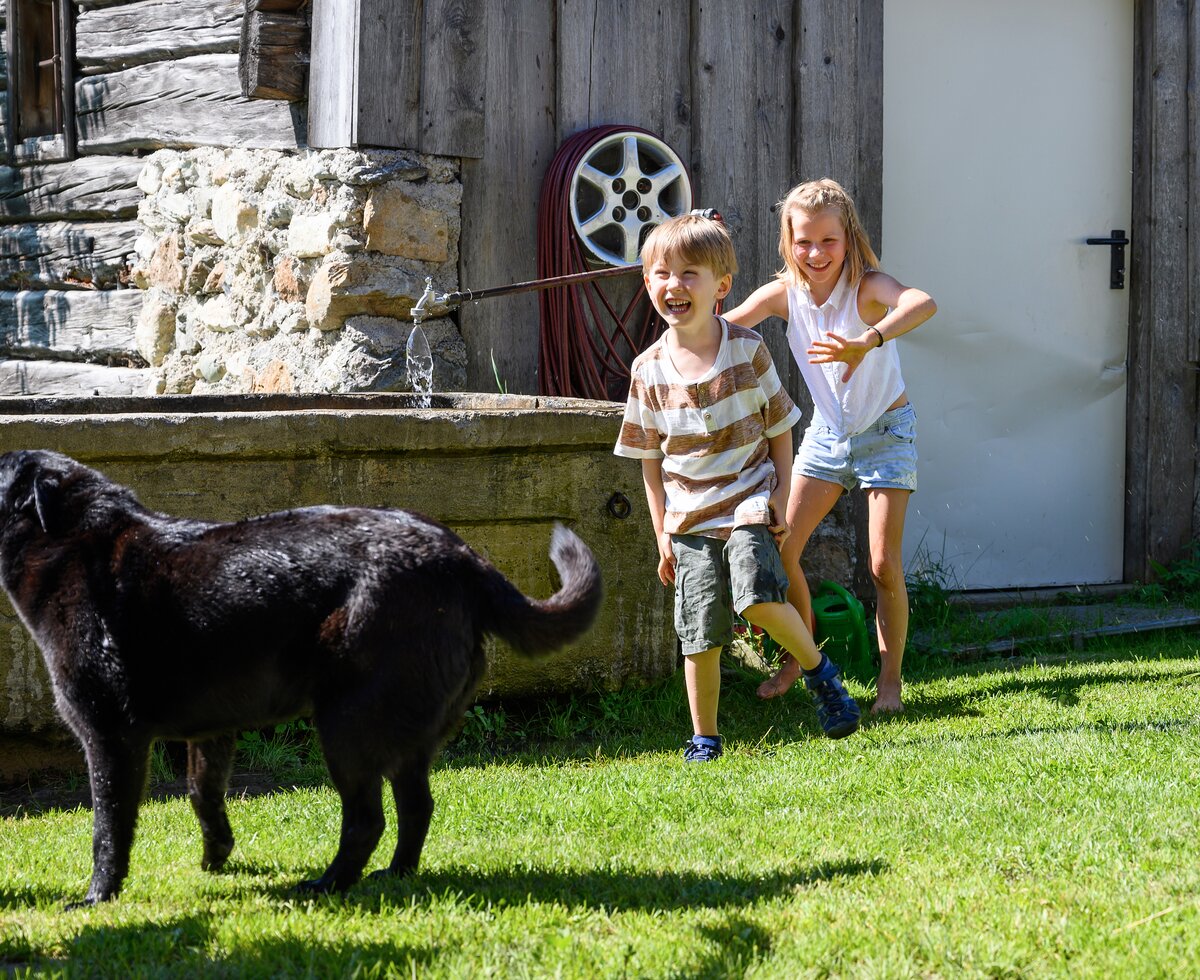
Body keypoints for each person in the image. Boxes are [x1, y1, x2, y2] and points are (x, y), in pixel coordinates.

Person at [614, 213, 861, 762]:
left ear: (721, 286)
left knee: (754, 598)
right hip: (689, 518)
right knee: (699, 631)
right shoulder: (647, 370)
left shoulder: (747, 351)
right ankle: (705, 736)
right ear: (648, 283)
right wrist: (661, 532)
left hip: (750, 502)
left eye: (689, 273)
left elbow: (779, 427)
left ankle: (820, 674)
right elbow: (649, 462)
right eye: (661, 273)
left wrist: (777, 497)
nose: (674, 285)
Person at [724, 178, 937, 714]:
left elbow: (922, 302)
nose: (816, 253)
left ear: (849, 238)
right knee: (782, 549)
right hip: (827, 434)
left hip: (886, 433)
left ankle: (890, 681)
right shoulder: (784, 296)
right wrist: (682, 303)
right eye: (804, 241)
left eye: (829, 241)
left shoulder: (867, 287)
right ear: (787, 241)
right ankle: (802, 657)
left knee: (884, 564)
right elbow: (724, 327)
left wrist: (868, 340)